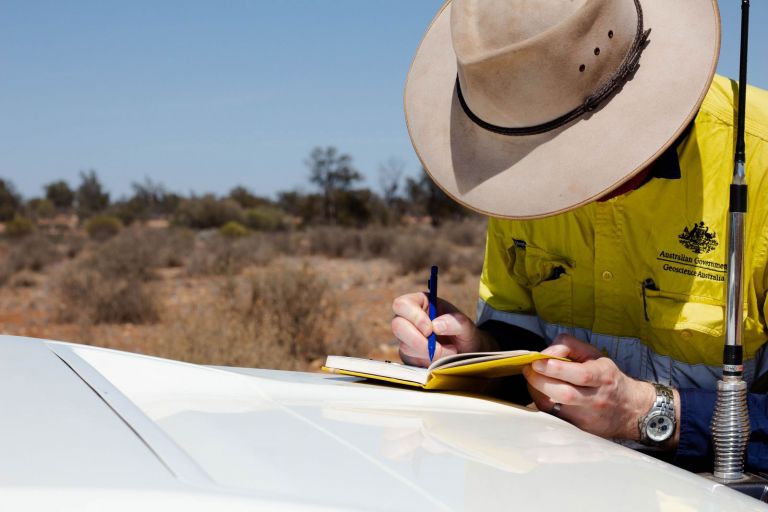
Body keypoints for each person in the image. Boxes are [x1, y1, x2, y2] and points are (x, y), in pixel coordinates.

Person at [393, 0, 768, 472]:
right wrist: (474, 353)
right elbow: (521, 342)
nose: (561, 185)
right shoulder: (516, 174)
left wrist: (644, 412)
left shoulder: (758, 159)